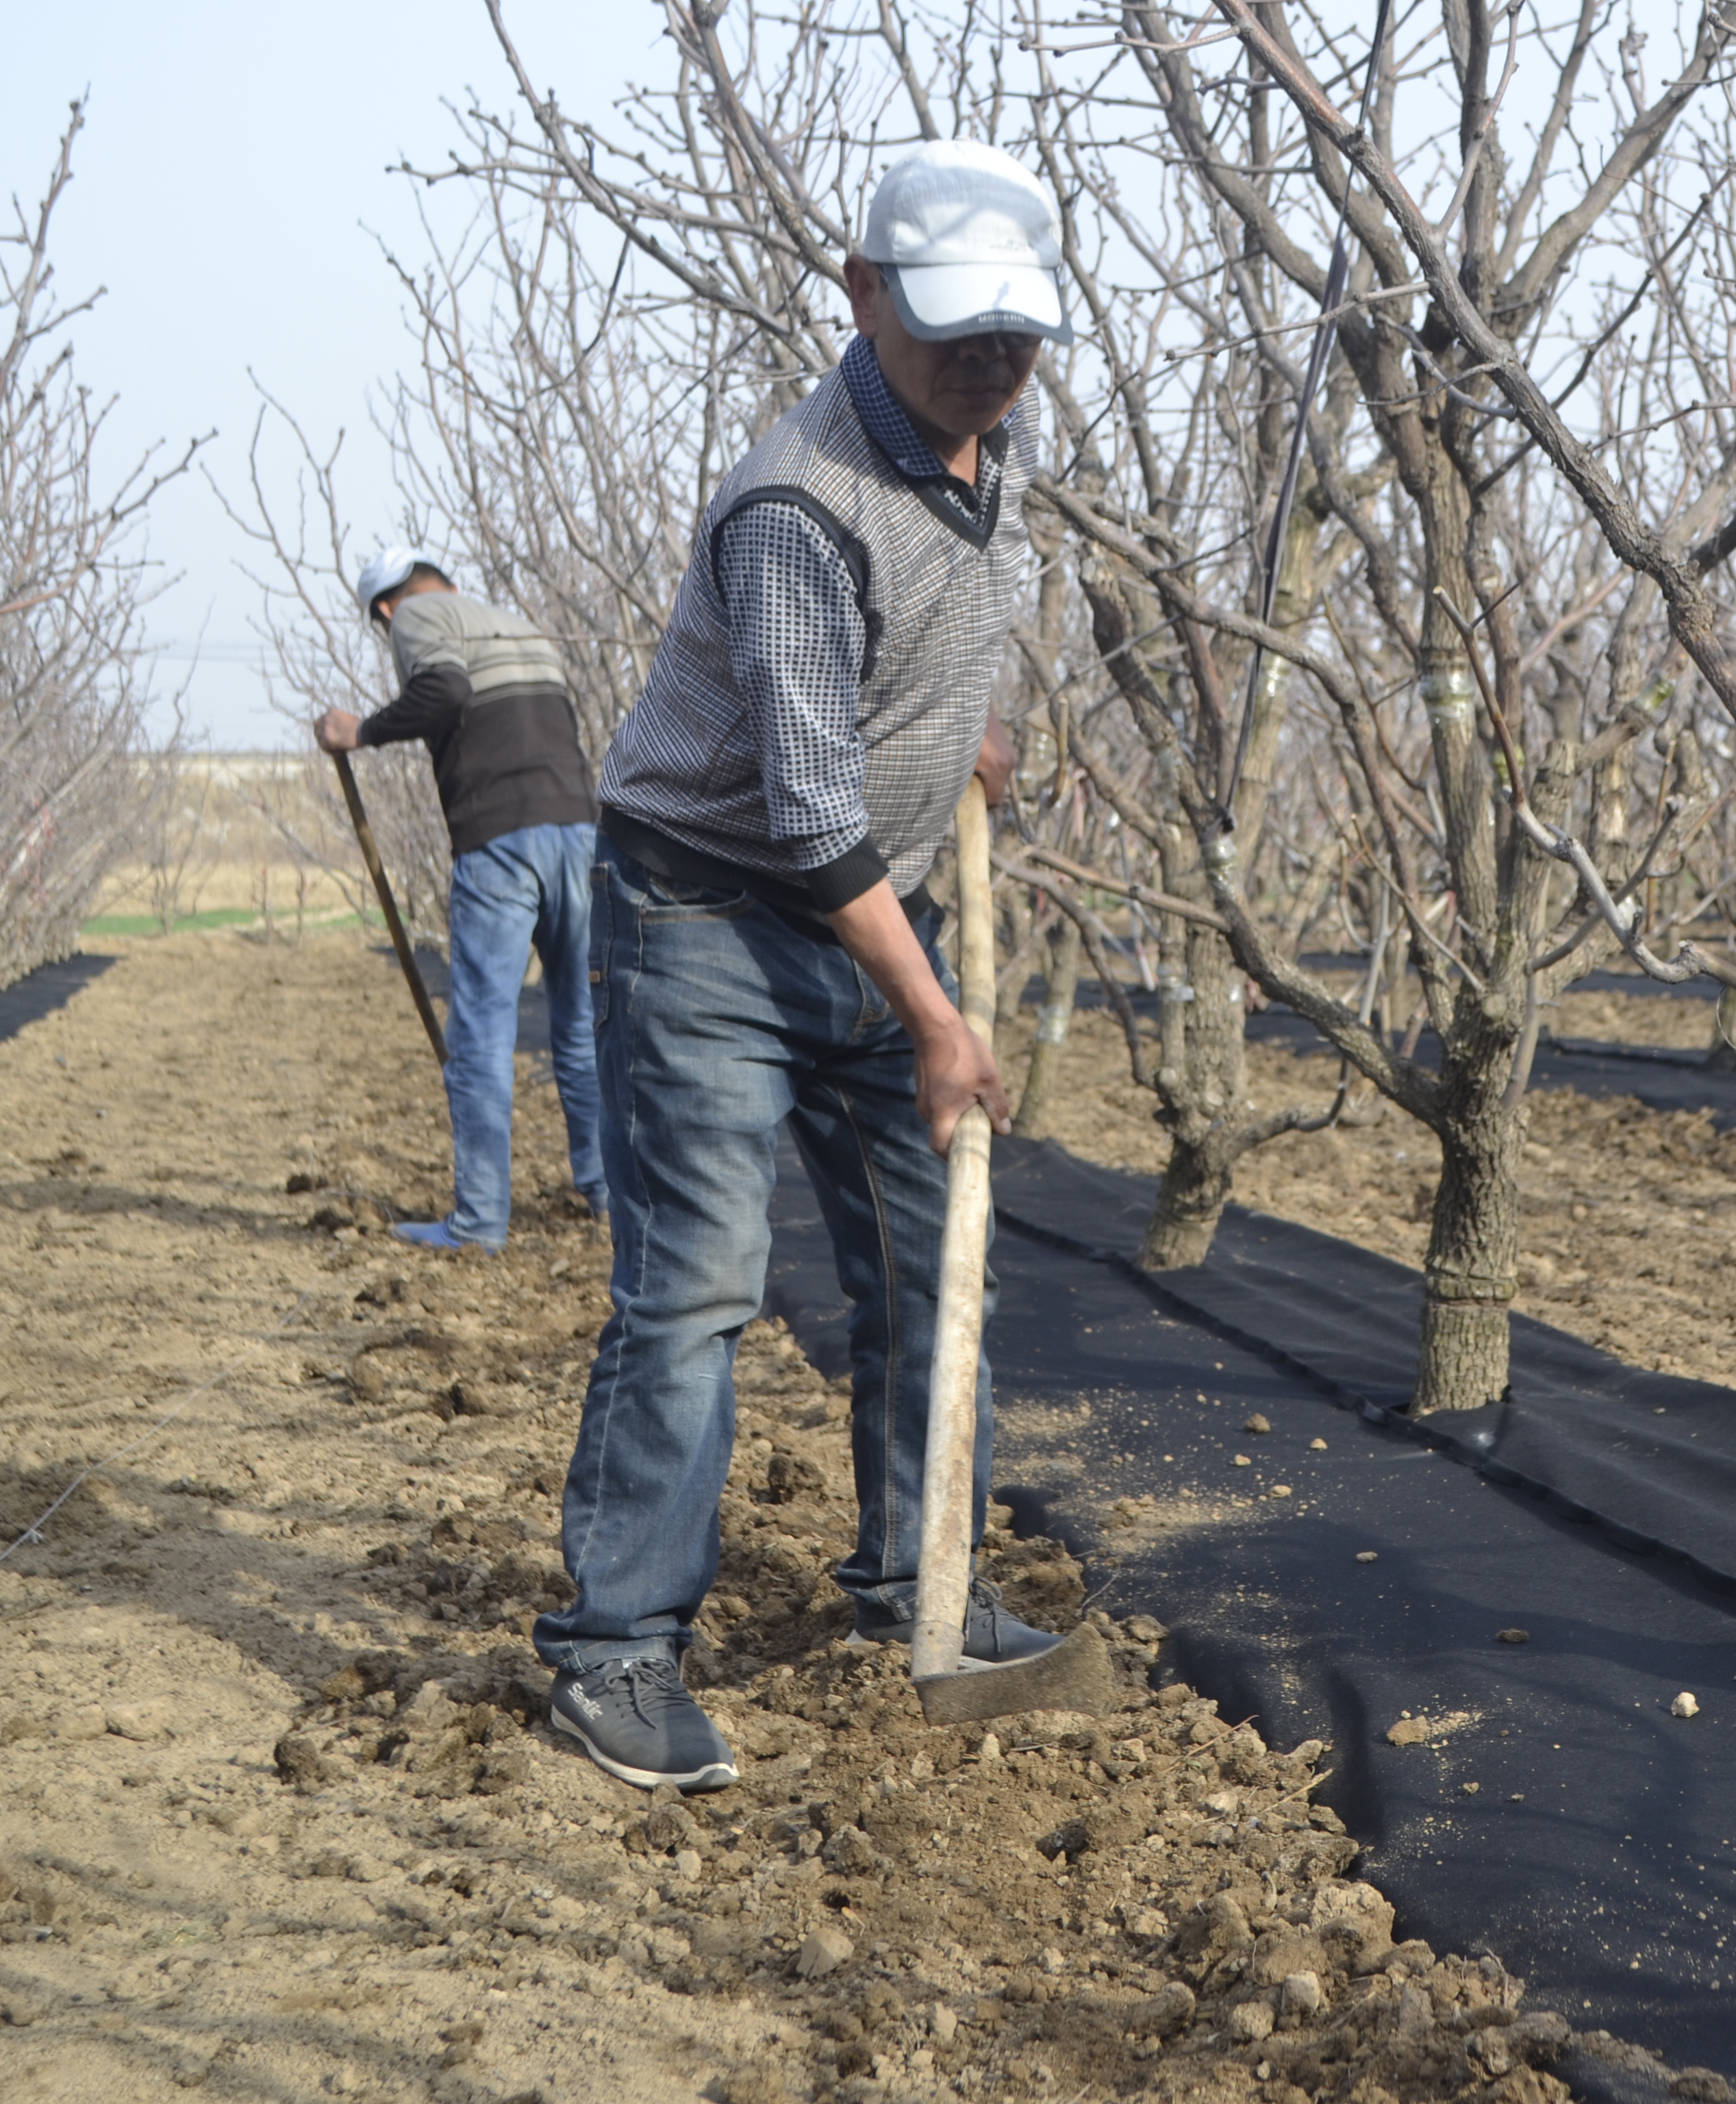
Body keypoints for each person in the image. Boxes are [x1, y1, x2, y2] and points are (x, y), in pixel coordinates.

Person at [534, 139, 1068, 1793]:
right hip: (709, 909)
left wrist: (967, 734)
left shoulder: (997, 441)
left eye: (1014, 333)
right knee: (699, 1282)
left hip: (866, 900)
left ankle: (922, 1581)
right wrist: (935, 1016)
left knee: (929, 1267)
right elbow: (808, 805)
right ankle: (615, 1650)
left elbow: (948, 622)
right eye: (954, 331)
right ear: (862, 293)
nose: (988, 363)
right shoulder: (796, 503)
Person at [317, 554, 605, 1251]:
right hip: (579, 835)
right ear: (445, 580)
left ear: (384, 610)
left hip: (502, 842)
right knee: (582, 1028)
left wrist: (361, 732)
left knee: (480, 1036)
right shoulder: (520, 627)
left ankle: (478, 1221)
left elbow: (445, 691)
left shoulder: (415, 617)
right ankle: (607, 1195)